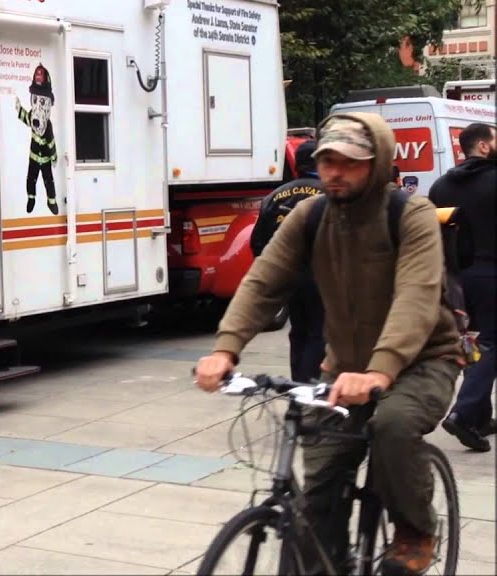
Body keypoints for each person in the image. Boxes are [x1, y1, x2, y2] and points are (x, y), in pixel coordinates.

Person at [195, 112, 464, 576]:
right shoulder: (311, 213)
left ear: (376, 163)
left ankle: (415, 530)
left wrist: (381, 369)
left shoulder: (410, 213)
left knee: (393, 427)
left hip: (424, 359)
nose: (335, 172)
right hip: (343, 368)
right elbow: (263, 282)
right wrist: (226, 348)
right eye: (327, 161)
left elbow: (416, 296)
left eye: (349, 162)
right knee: (319, 481)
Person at [428, 121, 497, 452]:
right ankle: (463, 413)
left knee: (474, 343)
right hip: (491, 273)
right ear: (483, 146)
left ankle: (482, 416)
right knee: (491, 342)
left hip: (455, 277)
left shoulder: (441, 186)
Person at [249, 139, 325, 382]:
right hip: (321, 276)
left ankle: (297, 387)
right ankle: (309, 390)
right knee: (318, 332)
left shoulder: (273, 196)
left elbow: (257, 242)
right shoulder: (328, 194)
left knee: (298, 332)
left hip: (287, 276)